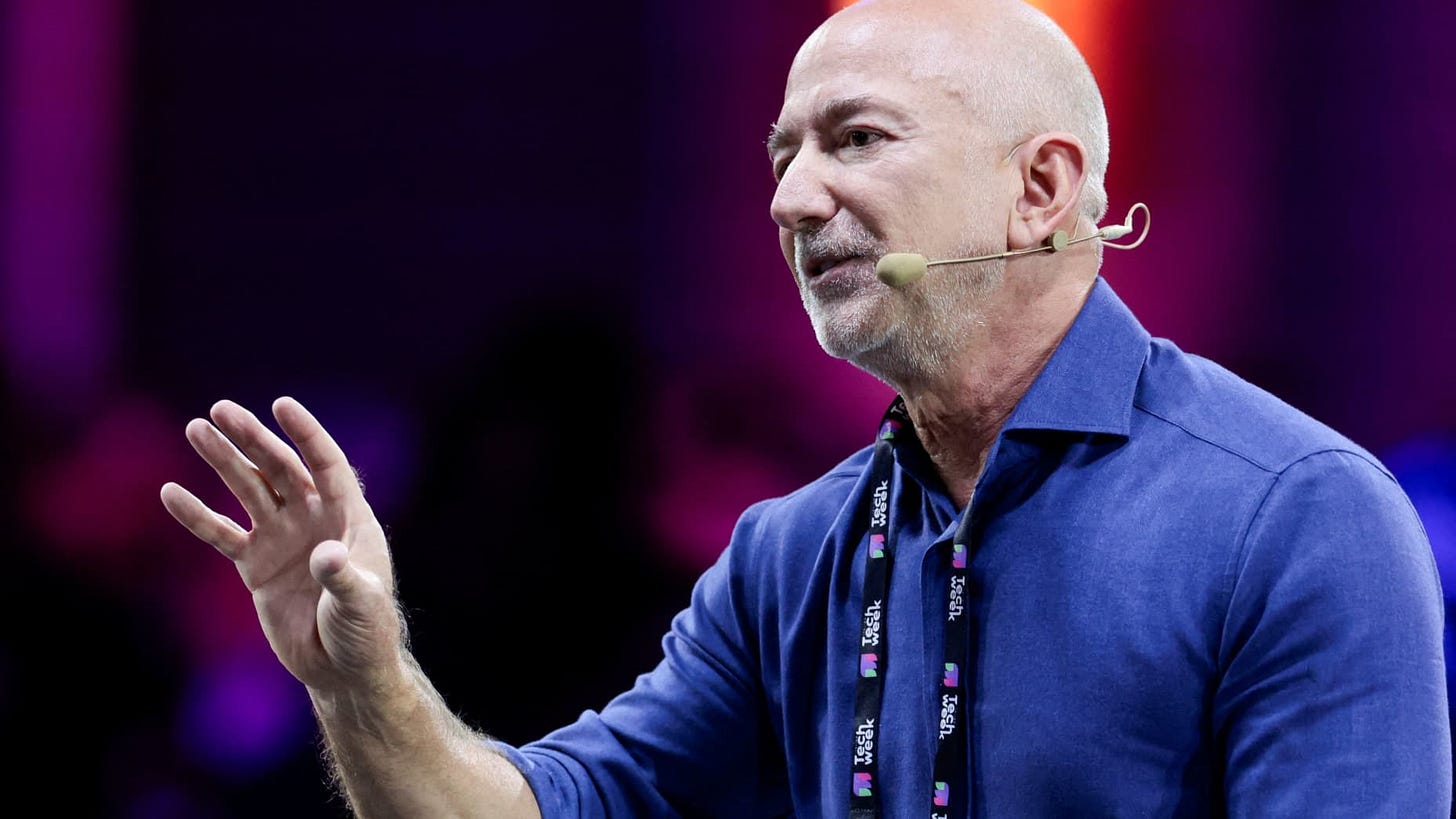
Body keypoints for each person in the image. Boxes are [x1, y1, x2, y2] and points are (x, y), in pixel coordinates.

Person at [159, 0, 1452, 815]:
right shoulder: (795, 552)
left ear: (1042, 187)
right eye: (782, 155)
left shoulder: (1295, 512)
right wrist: (360, 681)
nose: (790, 199)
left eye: (857, 139)